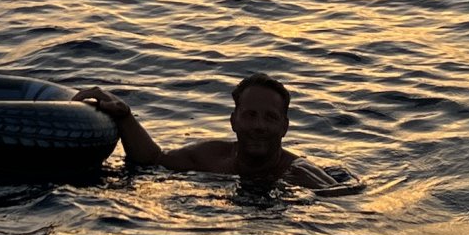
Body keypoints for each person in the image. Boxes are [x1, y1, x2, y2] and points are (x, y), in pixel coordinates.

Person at [73, 71, 359, 192]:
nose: (259, 126)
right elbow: (153, 159)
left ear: (285, 127)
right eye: (250, 115)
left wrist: (326, 193)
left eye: (270, 118)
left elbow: (349, 203)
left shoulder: (300, 174)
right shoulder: (211, 157)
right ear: (233, 120)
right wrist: (125, 117)